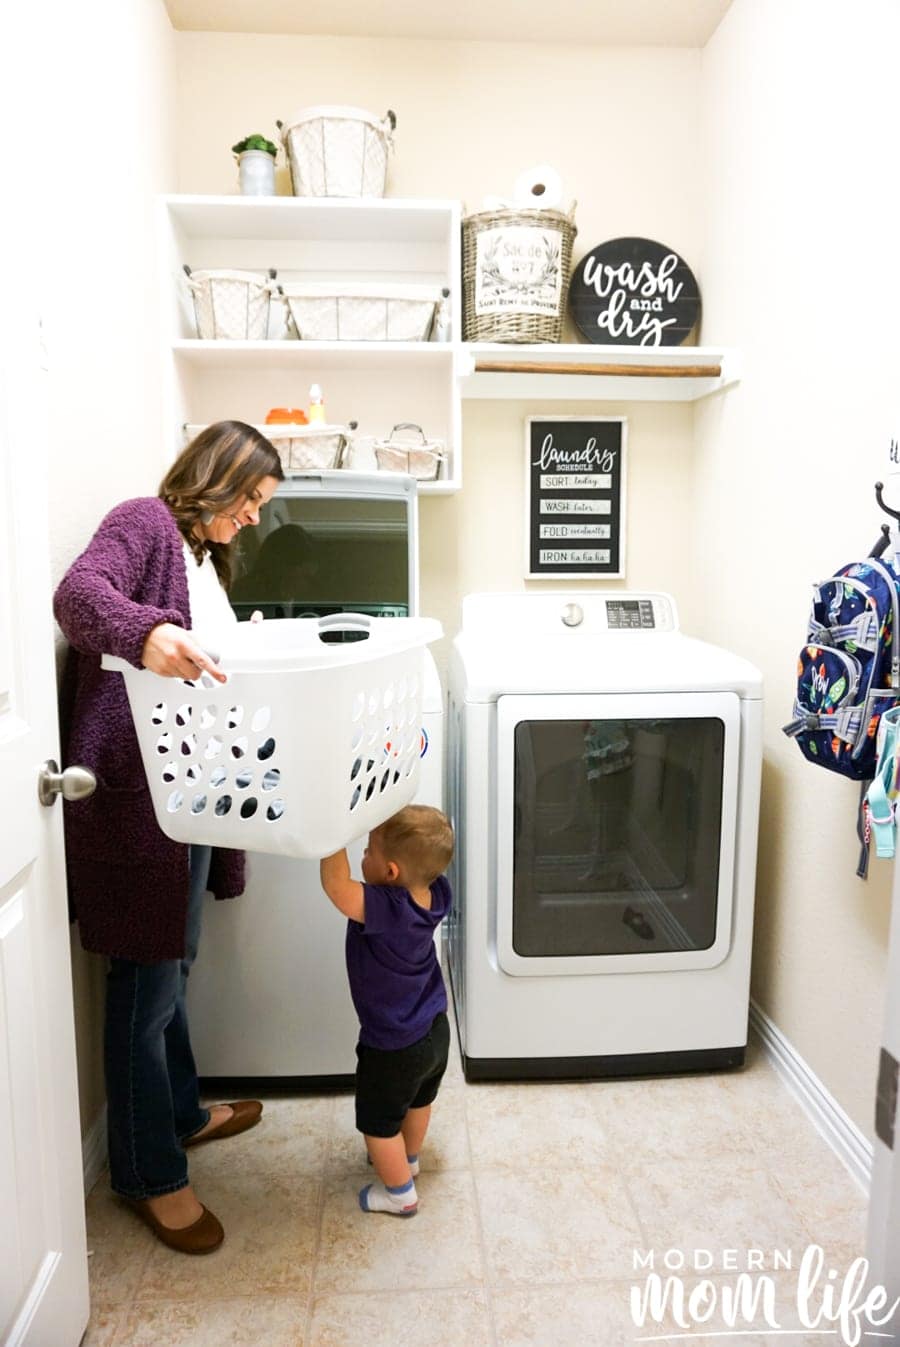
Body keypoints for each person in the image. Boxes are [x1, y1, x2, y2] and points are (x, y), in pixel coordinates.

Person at [53, 420, 284, 1255]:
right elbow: (79, 597)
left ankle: (180, 1112)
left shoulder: (201, 562)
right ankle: (147, 1172)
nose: (254, 516)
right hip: (137, 804)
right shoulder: (143, 523)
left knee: (175, 963)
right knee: (143, 987)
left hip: (187, 799)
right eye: (252, 497)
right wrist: (146, 634)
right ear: (217, 476)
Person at [319, 804, 454, 1217]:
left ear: (391, 873)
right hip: (435, 1028)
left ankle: (399, 1194)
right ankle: (408, 1160)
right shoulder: (434, 893)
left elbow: (337, 886)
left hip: (393, 1045)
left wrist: (328, 834)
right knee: (417, 1101)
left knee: (377, 1125)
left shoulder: (386, 908)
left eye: (367, 850)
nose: (361, 856)